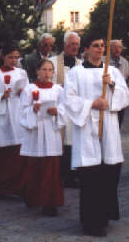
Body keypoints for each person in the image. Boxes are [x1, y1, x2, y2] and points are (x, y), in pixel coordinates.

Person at [64, 34, 129, 238]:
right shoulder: (75, 73)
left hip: (108, 127)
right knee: (91, 175)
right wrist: (92, 104)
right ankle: (91, 221)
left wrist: (111, 86)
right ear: (86, 49)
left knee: (108, 173)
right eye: (95, 46)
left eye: (102, 46)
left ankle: (105, 215)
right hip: (87, 128)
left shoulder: (111, 71)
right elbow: (68, 99)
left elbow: (126, 96)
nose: (100, 49)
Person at [19, 59, 66, 216]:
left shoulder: (58, 90)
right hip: (35, 130)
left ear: (53, 73)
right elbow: (21, 110)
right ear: (37, 71)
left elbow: (65, 108)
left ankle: (50, 202)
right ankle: (32, 197)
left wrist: (57, 111)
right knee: (34, 165)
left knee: (51, 167)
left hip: (51, 130)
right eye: (44, 69)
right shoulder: (29, 89)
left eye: (50, 70)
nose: (47, 73)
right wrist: (32, 109)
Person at [0, 44, 28, 197]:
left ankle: (17, 186)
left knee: (17, 153)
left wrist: (23, 92)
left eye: (16, 57)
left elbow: (28, 92)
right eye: (11, 57)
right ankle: (0, 187)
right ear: (3, 57)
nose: (14, 60)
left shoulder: (22, 73)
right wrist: (1, 96)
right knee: (2, 154)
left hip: (16, 115)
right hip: (1, 117)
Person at [49, 31, 81, 188]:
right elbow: (48, 83)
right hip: (59, 109)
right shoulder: (53, 63)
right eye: (71, 44)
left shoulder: (81, 65)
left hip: (74, 110)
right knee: (59, 142)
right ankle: (59, 174)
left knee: (73, 142)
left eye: (76, 44)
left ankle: (72, 174)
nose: (74, 47)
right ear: (64, 45)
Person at [109, 39, 129, 127]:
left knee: (118, 123)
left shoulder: (125, 62)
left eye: (119, 47)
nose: (117, 49)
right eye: (115, 47)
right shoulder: (104, 61)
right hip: (108, 98)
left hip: (120, 98)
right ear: (110, 48)